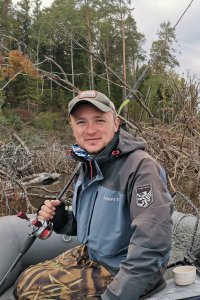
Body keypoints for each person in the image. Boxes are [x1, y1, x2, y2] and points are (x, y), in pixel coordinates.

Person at [14, 90, 173, 299]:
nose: (90, 130)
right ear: (72, 127)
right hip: (94, 255)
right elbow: (92, 227)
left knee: (31, 292)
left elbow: (152, 244)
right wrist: (62, 219)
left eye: (99, 120)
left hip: (124, 270)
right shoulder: (88, 164)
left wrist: (116, 296)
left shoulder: (141, 168)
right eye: (81, 122)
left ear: (116, 124)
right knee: (25, 280)